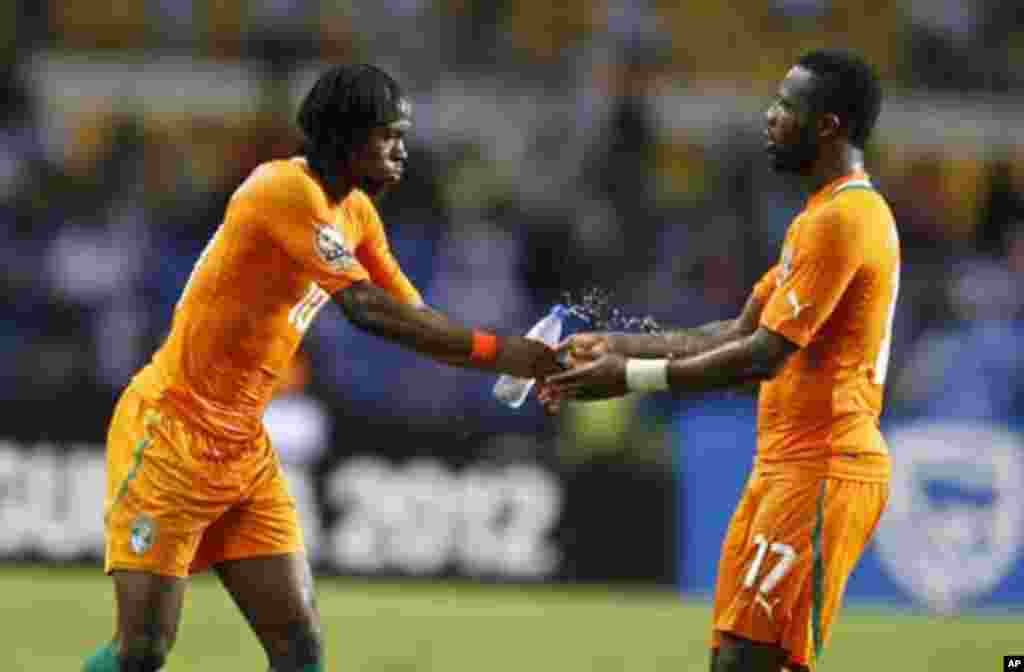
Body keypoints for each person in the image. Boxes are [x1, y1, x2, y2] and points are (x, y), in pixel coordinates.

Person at [84, 64, 562, 672]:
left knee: (299, 647)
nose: (402, 149)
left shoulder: (356, 214)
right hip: (170, 433)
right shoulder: (282, 190)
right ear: (345, 135)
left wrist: (524, 360)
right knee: (142, 652)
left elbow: (415, 318)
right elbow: (365, 309)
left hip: (242, 449)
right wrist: (499, 351)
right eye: (388, 135)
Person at [543, 50, 897, 672]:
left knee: (746, 662)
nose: (770, 115)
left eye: (787, 104)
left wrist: (628, 378)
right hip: (784, 464)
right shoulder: (818, 218)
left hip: (824, 466)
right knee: (734, 658)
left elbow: (761, 357)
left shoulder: (847, 218)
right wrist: (616, 345)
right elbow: (735, 331)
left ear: (828, 126)